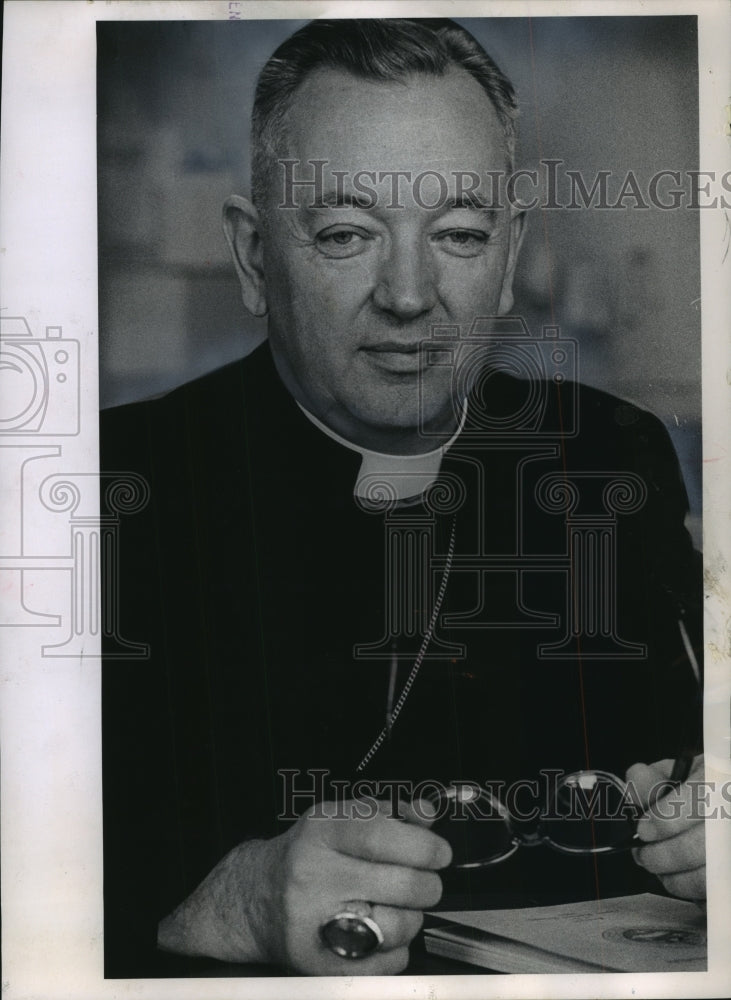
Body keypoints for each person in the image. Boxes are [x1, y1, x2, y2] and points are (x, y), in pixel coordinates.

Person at [101, 19, 705, 978]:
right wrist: (220, 904)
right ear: (255, 258)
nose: (411, 293)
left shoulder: (607, 451)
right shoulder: (106, 484)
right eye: (346, 234)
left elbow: (688, 768)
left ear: (509, 257)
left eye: (459, 235)